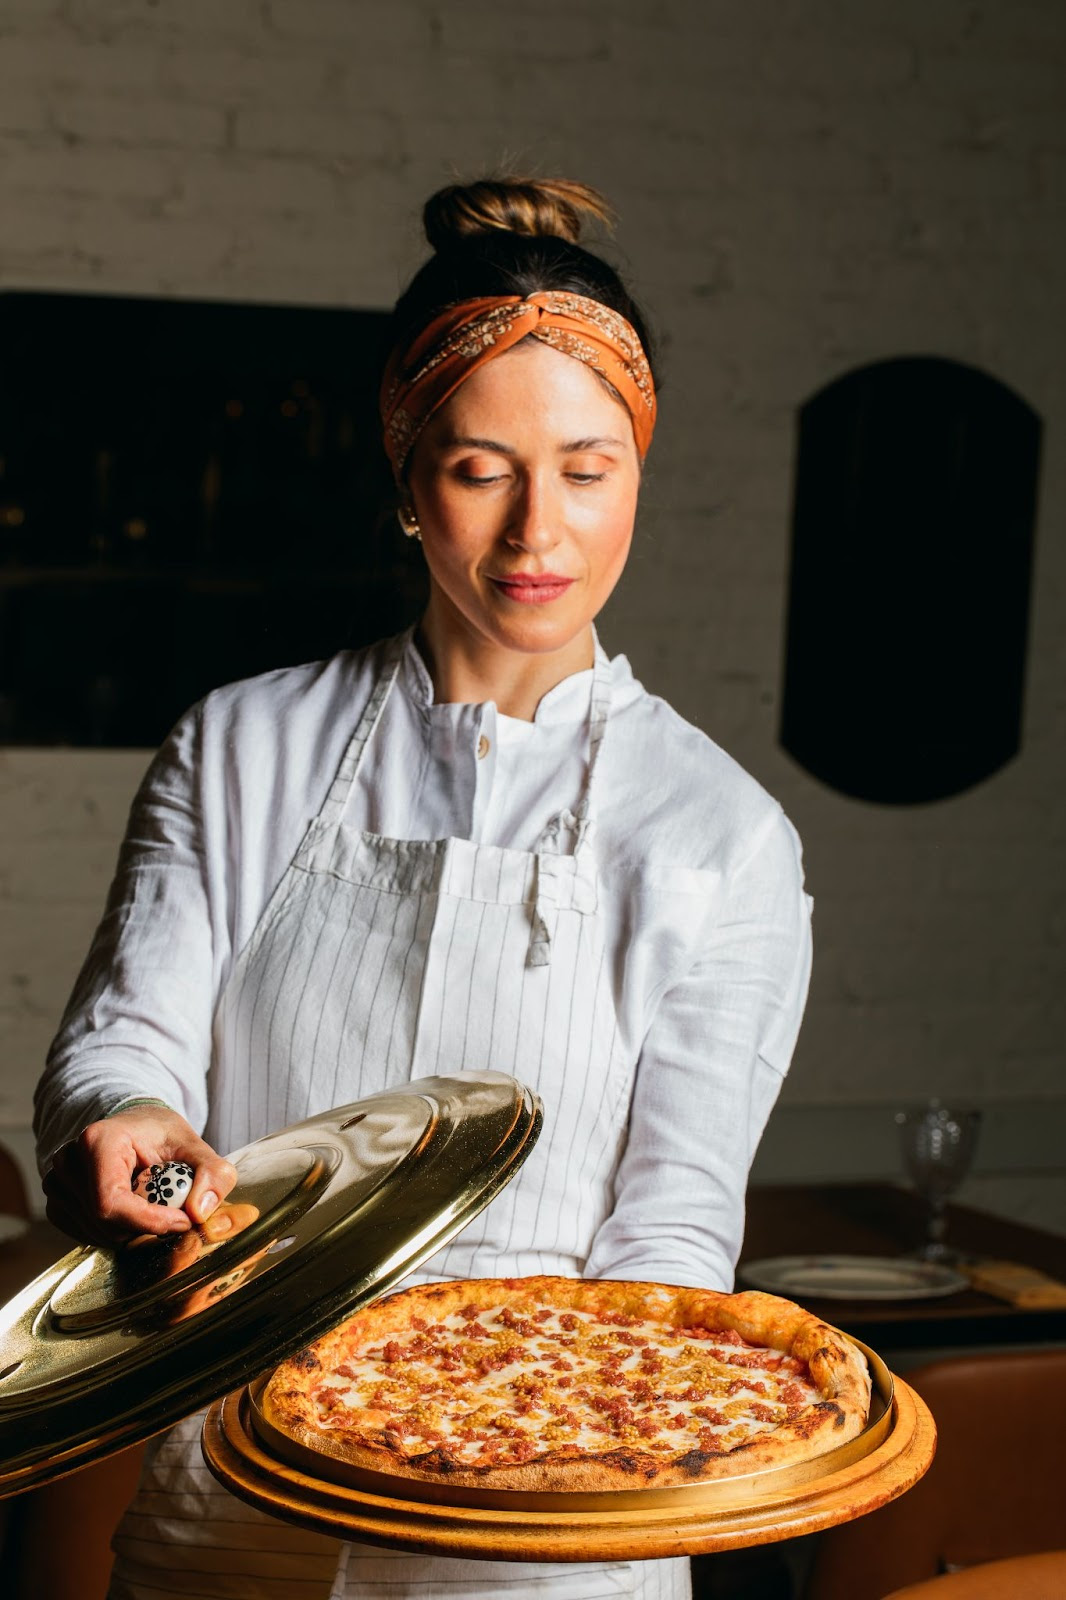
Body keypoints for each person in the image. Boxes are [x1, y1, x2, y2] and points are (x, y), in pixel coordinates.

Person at [35, 177, 813, 1600]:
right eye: (477, 469)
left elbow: (672, 1236)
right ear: (402, 476)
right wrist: (128, 1123)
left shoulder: (721, 833)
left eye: (587, 467)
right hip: (230, 1497)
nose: (537, 535)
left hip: (547, 1529)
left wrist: (512, 1436)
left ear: (639, 466)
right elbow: (125, 1041)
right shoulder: (240, 745)